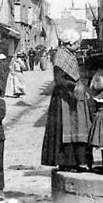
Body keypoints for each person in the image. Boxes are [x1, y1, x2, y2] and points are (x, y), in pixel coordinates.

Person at [41, 29, 92, 172]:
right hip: (64, 97)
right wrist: (74, 85)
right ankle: (67, 163)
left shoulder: (69, 54)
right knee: (66, 130)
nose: (78, 45)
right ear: (70, 43)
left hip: (73, 96)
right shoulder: (61, 56)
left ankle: (78, 162)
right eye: (77, 43)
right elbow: (59, 79)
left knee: (78, 127)